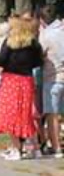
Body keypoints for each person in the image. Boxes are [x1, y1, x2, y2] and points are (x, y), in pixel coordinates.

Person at [0, 15, 44, 161]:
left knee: (10, 115)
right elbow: (38, 61)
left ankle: (17, 149)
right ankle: (34, 148)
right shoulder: (33, 43)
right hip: (27, 80)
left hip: (11, 80)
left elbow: (1, 60)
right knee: (26, 114)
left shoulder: (9, 42)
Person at [39, 9, 64, 158]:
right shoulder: (62, 31)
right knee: (60, 115)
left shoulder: (46, 35)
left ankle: (56, 148)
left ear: (42, 20)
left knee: (52, 115)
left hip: (52, 79)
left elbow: (39, 54)